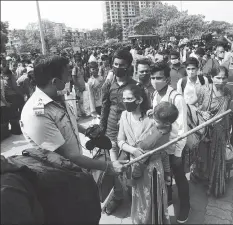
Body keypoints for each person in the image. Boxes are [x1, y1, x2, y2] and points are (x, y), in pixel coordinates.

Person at [20, 55, 126, 178]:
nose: (69, 79)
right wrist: (107, 166)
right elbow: (67, 156)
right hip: (60, 175)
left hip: (75, 167)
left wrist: (87, 131)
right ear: (55, 81)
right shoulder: (37, 113)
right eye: (67, 76)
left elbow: (69, 122)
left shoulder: (57, 96)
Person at [118, 85, 175, 224]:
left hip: (152, 169)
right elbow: (120, 141)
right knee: (139, 200)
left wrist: (167, 171)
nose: (126, 101)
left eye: (129, 98)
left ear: (139, 100)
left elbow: (163, 145)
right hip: (134, 163)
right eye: (124, 98)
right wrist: (133, 150)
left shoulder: (153, 120)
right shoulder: (124, 115)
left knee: (153, 199)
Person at [100, 49, 139, 214]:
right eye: (115, 64)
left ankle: (134, 196)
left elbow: (139, 111)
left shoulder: (135, 86)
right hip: (110, 132)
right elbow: (104, 107)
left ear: (128, 66)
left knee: (129, 166)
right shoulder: (108, 85)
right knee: (113, 166)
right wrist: (101, 130)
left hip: (129, 135)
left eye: (121, 65)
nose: (117, 68)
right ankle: (117, 195)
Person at [150, 62, 190, 223]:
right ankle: (169, 198)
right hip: (160, 145)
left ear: (167, 79)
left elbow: (182, 129)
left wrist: (178, 152)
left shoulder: (176, 98)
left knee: (180, 177)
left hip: (174, 147)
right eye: (152, 77)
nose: (154, 81)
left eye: (158, 78)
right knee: (165, 175)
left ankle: (186, 205)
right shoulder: (154, 95)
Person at [190, 65, 232, 197]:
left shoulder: (228, 92)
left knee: (216, 157)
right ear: (212, 78)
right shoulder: (203, 90)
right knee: (202, 155)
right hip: (204, 129)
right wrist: (202, 112)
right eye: (218, 78)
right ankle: (200, 176)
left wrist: (227, 130)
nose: (221, 81)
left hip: (220, 131)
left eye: (224, 78)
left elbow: (226, 113)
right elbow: (190, 105)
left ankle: (213, 183)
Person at [2, 66, 25, 135]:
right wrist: (21, 95)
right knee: (15, 114)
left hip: (8, 97)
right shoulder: (11, 77)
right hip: (13, 97)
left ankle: (15, 130)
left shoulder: (5, 77)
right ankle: (17, 130)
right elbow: (15, 88)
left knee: (12, 114)